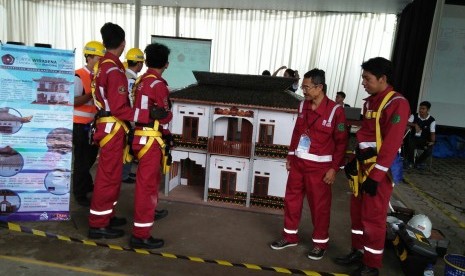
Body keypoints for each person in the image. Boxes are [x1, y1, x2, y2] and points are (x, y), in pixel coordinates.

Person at [337, 57, 410, 276]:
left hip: (379, 172)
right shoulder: (370, 102)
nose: (363, 83)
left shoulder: (396, 103)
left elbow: (391, 144)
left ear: (382, 79)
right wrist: (353, 161)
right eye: (363, 78)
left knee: (373, 219)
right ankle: (358, 252)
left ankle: (372, 265)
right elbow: (365, 137)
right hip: (362, 167)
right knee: (357, 214)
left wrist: (376, 177)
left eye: (367, 79)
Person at [270, 69, 348, 261]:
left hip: (320, 169)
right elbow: (297, 132)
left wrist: (334, 169)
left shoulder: (336, 111)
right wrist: (290, 156)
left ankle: (320, 244)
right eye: (303, 87)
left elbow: (342, 142)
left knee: (319, 207)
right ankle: (289, 236)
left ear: (319, 87)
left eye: (306, 87)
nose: (303, 90)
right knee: (291, 201)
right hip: (298, 164)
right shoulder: (302, 105)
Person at [88, 22, 153, 239]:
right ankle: (98, 224)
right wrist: (147, 116)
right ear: (123, 43)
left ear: (105, 43)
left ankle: (107, 215)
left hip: (107, 127)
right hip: (113, 128)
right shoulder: (114, 71)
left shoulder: (102, 65)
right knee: (108, 177)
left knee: (112, 175)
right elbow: (120, 109)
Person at [129, 43, 173, 249]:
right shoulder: (158, 85)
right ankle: (141, 235)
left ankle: (144, 223)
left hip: (140, 137)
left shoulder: (140, 81)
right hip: (151, 139)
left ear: (145, 62)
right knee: (147, 188)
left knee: (147, 185)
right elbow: (165, 115)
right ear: (167, 63)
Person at [72, 41, 104, 207]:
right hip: (79, 126)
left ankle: (86, 183)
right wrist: (91, 93)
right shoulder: (78, 76)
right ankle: (79, 193)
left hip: (92, 126)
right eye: (99, 57)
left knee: (90, 158)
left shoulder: (96, 77)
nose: (101, 61)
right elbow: (74, 101)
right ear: (89, 57)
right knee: (81, 161)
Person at [121, 47, 145, 184]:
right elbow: (130, 100)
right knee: (128, 147)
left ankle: (126, 172)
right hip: (130, 118)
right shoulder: (131, 80)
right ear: (139, 64)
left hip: (124, 117)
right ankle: (124, 175)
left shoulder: (124, 75)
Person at [405, 101, 436, 169]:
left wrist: (433, 142)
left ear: (428, 110)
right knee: (410, 143)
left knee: (429, 149)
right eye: (420, 108)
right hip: (413, 138)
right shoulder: (414, 116)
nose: (421, 110)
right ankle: (410, 162)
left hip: (423, 140)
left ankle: (418, 162)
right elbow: (406, 122)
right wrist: (415, 125)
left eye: (423, 109)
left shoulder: (431, 120)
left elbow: (432, 133)